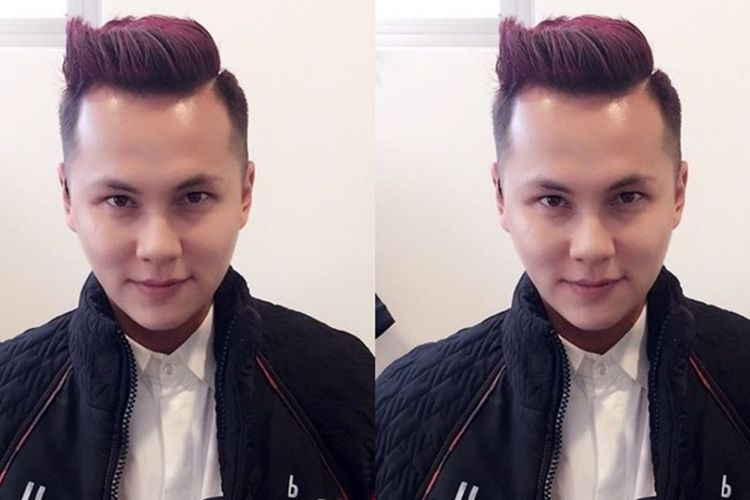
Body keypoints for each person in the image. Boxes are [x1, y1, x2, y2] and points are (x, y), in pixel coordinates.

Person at [376, 15, 750, 500]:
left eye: (627, 197)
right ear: (501, 196)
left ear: (678, 194)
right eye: (552, 200)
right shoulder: (401, 409)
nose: (591, 247)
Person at [0, 16, 373, 500]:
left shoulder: (346, 383)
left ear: (244, 193)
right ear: (68, 196)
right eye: (119, 200)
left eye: (194, 197)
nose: (158, 247)